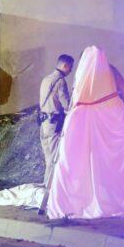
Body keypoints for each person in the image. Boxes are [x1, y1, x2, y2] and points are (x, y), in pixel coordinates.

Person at [47, 46, 124, 219]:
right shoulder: (109, 69)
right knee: (121, 158)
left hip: (84, 119)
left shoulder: (83, 71)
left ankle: (85, 200)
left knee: (87, 161)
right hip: (111, 114)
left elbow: (75, 97)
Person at [38, 54, 74, 186]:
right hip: (53, 124)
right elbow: (66, 105)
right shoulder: (60, 81)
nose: (70, 71)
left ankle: (46, 186)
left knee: (48, 158)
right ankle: (51, 191)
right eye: (70, 67)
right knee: (54, 159)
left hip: (43, 123)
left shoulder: (46, 79)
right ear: (65, 66)